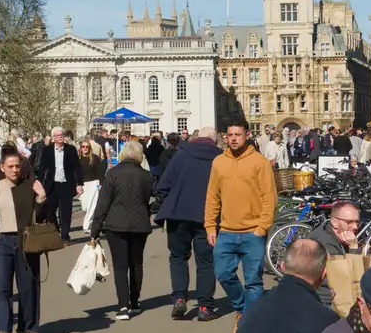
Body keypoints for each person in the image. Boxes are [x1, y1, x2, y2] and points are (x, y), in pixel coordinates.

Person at [205, 121, 277, 317]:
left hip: (253, 231)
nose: (234, 138)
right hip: (227, 231)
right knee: (223, 274)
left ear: (246, 135)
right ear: (225, 137)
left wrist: (262, 228)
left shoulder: (259, 161)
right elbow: (213, 196)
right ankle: (242, 308)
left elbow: (269, 197)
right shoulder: (219, 162)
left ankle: (248, 321)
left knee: (253, 280)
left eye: (238, 134)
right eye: (230, 135)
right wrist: (210, 226)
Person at [0, 147, 47, 333]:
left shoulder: (30, 186)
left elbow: (42, 218)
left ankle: (28, 330)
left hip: (26, 243)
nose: (15, 170)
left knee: (28, 288)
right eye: (10, 166)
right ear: (2, 167)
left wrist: (42, 198)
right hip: (2, 242)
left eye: (18, 166)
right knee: (3, 288)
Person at [154, 125, 220, 321]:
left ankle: (180, 298)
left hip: (178, 213)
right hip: (207, 217)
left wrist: (167, 203)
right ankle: (205, 307)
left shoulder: (181, 155)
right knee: (206, 261)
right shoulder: (220, 159)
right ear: (214, 141)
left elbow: (163, 185)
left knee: (178, 257)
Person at [89, 140, 156, 319]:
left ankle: (122, 306)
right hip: (140, 224)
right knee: (136, 263)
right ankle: (134, 302)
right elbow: (161, 195)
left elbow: (103, 203)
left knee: (120, 266)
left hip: (115, 224)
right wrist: (150, 209)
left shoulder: (112, 174)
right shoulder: (147, 175)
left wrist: (95, 229)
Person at [37, 127, 84, 244]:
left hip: (66, 184)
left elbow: (76, 167)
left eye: (62, 134)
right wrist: (39, 183)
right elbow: (42, 168)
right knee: (50, 210)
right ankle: (56, 231)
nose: (61, 136)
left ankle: (65, 236)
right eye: (58, 135)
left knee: (66, 212)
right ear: (53, 137)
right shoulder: (47, 150)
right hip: (51, 185)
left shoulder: (71, 149)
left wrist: (79, 183)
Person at [76, 137, 108, 234]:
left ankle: (86, 226)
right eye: (83, 147)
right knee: (85, 207)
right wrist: (77, 184)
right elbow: (75, 173)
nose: (85, 148)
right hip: (83, 184)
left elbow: (100, 172)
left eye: (87, 147)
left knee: (92, 206)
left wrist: (101, 183)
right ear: (80, 148)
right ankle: (88, 222)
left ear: (90, 148)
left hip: (94, 183)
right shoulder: (77, 159)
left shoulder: (95, 158)